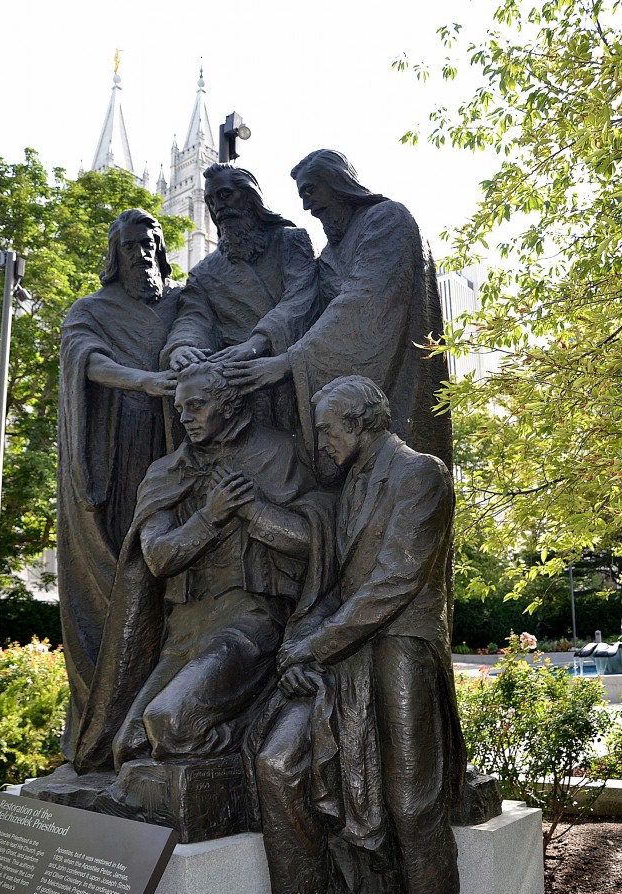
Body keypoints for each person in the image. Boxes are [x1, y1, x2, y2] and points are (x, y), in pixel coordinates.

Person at [249, 377, 465, 894]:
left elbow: (393, 582)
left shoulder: (420, 475)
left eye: (328, 430)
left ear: (362, 422)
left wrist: (314, 646)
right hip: (344, 653)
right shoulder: (344, 491)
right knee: (278, 759)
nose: (321, 443)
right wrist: (303, 646)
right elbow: (336, 582)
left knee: (411, 808)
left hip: (400, 646)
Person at [71, 362, 335, 774]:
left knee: (169, 722)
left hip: (250, 621)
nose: (185, 418)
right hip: (186, 629)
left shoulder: (280, 452)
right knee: (130, 746)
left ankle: (247, 746)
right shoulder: (167, 471)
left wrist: (253, 511)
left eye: (196, 406)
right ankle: (229, 752)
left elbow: (316, 542)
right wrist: (210, 516)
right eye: (180, 409)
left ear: (229, 404)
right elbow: (157, 559)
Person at [223, 150, 452, 473]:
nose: (306, 206)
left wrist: (289, 362)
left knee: (404, 480)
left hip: (399, 378)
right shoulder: (330, 252)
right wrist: (257, 343)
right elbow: (303, 305)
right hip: (350, 406)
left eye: (310, 191)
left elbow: (363, 301)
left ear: (337, 181)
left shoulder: (387, 219)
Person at [58, 208, 180, 760]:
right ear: (116, 254)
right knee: (119, 593)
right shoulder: (91, 310)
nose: (143, 252)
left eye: (151, 242)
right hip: (118, 457)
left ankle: (166, 728)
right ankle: (103, 730)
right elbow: (88, 362)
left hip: (178, 453)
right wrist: (145, 381)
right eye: (131, 245)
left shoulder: (183, 304)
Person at [160, 163, 319, 446]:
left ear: (249, 197)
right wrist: (182, 346)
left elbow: (301, 297)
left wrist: (258, 341)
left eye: (225, 195)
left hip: (289, 371)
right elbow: (193, 316)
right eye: (210, 201)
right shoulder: (204, 271)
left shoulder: (289, 241)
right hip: (236, 389)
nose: (218, 207)